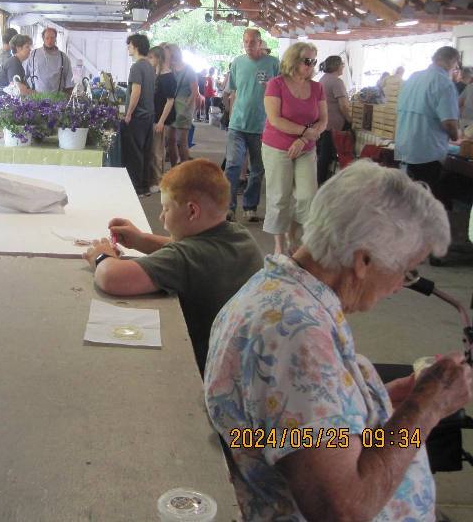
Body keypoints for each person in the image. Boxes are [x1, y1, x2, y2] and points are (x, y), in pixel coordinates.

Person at [205, 160, 472, 522]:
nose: (400, 286)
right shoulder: (297, 335)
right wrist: (429, 406)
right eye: (406, 270)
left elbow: (308, 431)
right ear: (363, 260)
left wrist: (382, 402)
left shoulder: (282, 292)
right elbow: (343, 511)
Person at [83, 159, 263, 376]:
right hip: (242, 363)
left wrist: (102, 254)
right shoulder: (240, 236)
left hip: (206, 368)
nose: (161, 217)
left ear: (192, 211)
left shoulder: (190, 257)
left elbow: (112, 278)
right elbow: (185, 247)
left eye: (166, 209)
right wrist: (141, 240)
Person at [262, 42, 328, 255]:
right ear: (294, 60)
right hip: (277, 146)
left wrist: (302, 138)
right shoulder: (276, 84)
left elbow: (323, 120)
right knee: (279, 196)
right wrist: (304, 132)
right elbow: (275, 119)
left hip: (306, 147)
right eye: (307, 61)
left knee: (307, 196)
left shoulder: (317, 87)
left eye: (314, 61)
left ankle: (294, 236)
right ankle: (279, 246)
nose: (311, 65)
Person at [225, 28, 280, 222]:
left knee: (257, 169)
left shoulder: (273, 63)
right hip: (237, 124)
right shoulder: (238, 63)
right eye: (245, 42)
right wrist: (230, 117)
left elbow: (281, 92)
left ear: (260, 43)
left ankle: (250, 206)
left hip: (262, 125)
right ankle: (228, 207)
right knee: (232, 164)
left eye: (252, 42)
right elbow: (232, 91)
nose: (248, 45)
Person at [395, 46, 460, 206]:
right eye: (456, 67)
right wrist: (456, 137)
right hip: (426, 152)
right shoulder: (444, 83)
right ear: (452, 62)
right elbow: (449, 122)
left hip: (403, 146)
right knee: (423, 202)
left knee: (405, 199)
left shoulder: (413, 77)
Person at [123, 34, 156, 196]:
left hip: (138, 116)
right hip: (149, 115)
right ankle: (145, 187)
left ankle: (136, 188)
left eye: (129, 45)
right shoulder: (149, 66)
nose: (128, 48)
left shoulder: (136, 67)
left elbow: (136, 91)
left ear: (135, 46)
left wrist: (128, 113)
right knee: (145, 152)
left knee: (135, 153)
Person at [317, 55, 351, 184]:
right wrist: (350, 120)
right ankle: (323, 182)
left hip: (324, 123)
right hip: (334, 125)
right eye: (342, 64)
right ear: (337, 66)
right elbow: (343, 105)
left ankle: (320, 180)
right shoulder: (337, 82)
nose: (343, 67)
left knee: (323, 155)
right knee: (327, 156)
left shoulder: (322, 80)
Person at [147, 45, 176, 193]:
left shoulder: (168, 77)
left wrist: (161, 121)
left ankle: (159, 181)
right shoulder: (156, 75)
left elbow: (170, 101)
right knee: (153, 150)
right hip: (153, 117)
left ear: (158, 59)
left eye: (151, 57)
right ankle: (154, 179)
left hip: (160, 119)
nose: (149, 60)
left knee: (158, 152)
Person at [167, 44, 199, 166]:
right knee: (170, 140)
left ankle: (185, 168)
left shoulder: (188, 69)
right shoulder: (169, 68)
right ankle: (174, 167)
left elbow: (195, 91)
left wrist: (186, 107)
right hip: (171, 107)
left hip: (184, 108)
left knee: (182, 140)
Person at [25, 27, 74, 95]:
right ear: (43, 39)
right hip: (36, 98)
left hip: (57, 99)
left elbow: (69, 79)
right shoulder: (34, 54)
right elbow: (26, 75)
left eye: (52, 38)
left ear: (55, 39)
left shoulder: (63, 57)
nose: (50, 40)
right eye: (47, 38)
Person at [0, 34, 35, 105]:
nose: (30, 49)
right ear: (18, 48)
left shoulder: (16, 62)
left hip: (2, 104)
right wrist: (36, 93)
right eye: (27, 47)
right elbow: (19, 89)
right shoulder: (14, 63)